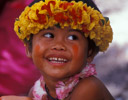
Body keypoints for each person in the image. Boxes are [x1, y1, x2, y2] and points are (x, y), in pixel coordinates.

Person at [0, 0, 115, 99]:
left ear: (90, 52)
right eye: (49, 35)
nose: (59, 45)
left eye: (72, 37)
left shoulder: (88, 88)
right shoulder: (38, 90)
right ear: (29, 49)